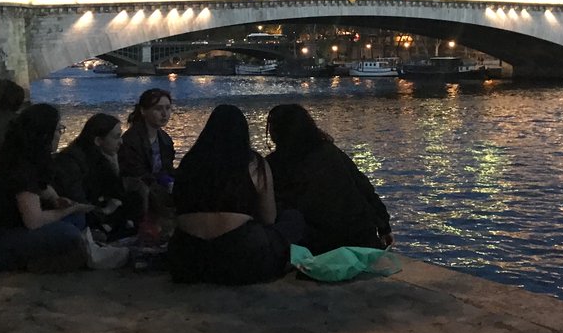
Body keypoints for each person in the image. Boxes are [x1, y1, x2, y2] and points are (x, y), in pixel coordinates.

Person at [0, 104, 126, 273]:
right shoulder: (20, 167)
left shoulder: (20, 155)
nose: (59, 135)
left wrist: (56, 200)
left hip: (1, 229)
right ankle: (41, 262)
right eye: (58, 130)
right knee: (68, 233)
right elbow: (34, 221)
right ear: (44, 134)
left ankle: (57, 257)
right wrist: (70, 209)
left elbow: (42, 189)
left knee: (77, 220)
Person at [166, 104, 304, 285]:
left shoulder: (189, 162)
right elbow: (269, 218)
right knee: (293, 219)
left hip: (187, 257)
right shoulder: (253, 163)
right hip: (239, 255)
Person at [266, 104, 393, 254]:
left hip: (317, 246)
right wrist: (384, 227)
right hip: (361, 239)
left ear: (275, 133)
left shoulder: (274, 165)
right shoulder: (330, 152)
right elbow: (364, 188)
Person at [53, 113, 141, 241]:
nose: (121, 142)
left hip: (94, 206)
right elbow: (77, 197)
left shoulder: (101, 157)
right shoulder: (71, 161)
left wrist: (115, 167)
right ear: (98, 141)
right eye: (117, 137)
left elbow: (115, 190)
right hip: (82, 210)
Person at [117, 89, 177, 234]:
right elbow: (135, 172)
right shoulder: (131, 139)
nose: (165, 114)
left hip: (157, 186)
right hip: (140, 189)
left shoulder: (165, 139)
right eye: (158, 109)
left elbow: (168, 168)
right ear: (144, 111)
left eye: (168, 108)